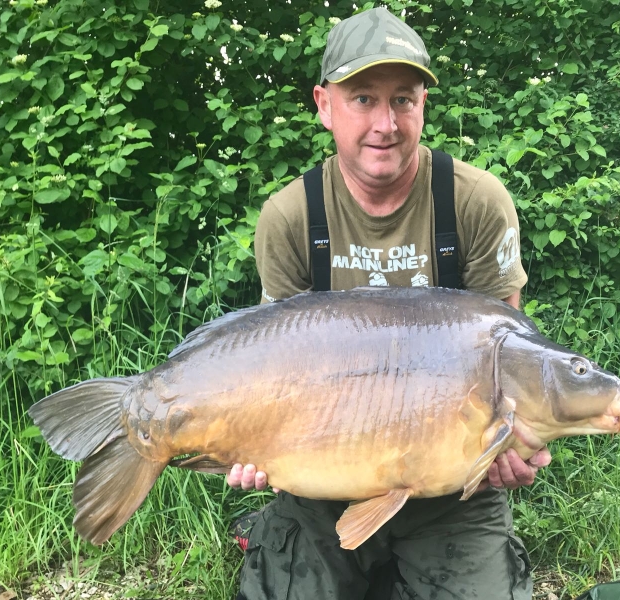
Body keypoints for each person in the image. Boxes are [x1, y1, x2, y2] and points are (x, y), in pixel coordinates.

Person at [228, 7, 551, 599]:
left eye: (404, 99)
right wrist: (249, 443)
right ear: (324, 105)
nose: (386, 123)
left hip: (454, 493)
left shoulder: (475, 202)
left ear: (423, 106)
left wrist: (510, 446)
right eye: (363, 99)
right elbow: (273, 370)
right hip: (324, 481)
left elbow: (512, 355)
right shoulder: (292, 216)